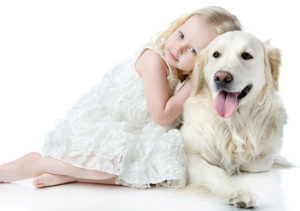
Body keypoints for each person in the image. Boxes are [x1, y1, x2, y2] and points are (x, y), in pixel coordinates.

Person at [0, 6, 241, 188]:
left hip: (137, 131)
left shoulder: (183, 76)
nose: (178, 48)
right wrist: (190, 89)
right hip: (105, 123)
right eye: (180, 36)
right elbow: (162, 116)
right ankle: (36, 163)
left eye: (193, 50)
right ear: (175, 27)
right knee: (121, 164)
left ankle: (70, 174)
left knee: (160, 169)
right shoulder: (154, 59)